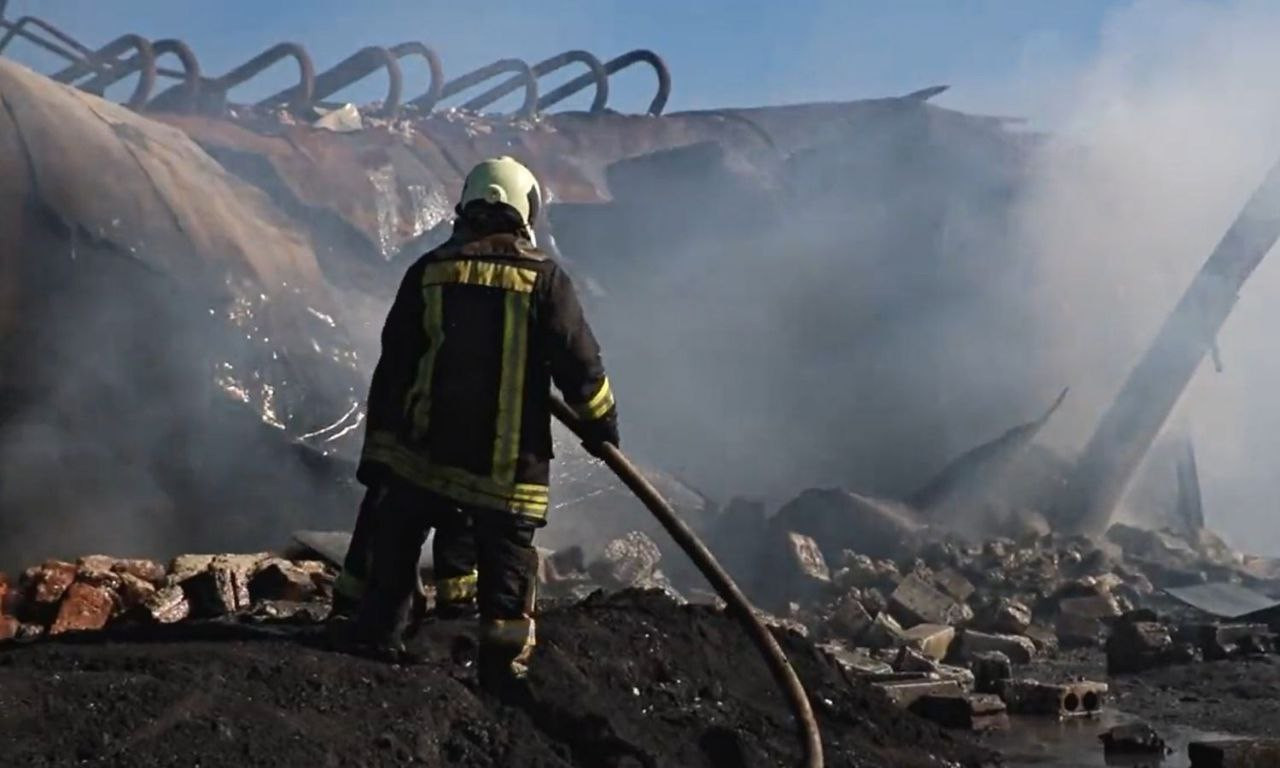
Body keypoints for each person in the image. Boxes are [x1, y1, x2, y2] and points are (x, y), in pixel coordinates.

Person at [351, 156, 620, 694]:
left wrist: (378, 453)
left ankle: (376, 650)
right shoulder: (544, 279)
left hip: (420, 458)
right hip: (506, 471)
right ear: (525, 211)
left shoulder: (428, 272)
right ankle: (501, 675)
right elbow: (579, 363)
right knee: (507, 575)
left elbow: (395, 366)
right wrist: (601, 424)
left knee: (398, 547)